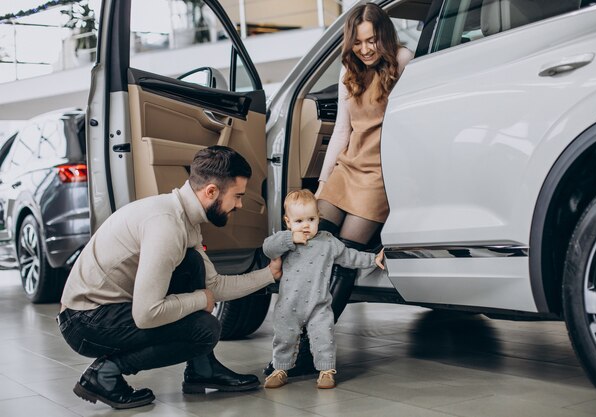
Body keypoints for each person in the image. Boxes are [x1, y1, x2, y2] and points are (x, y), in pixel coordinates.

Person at [57, 145, 282, 409]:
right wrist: (199, 300)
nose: (240, 204)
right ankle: (104, 374)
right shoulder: (166, 226)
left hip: (102, 311)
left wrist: (270, 274)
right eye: (237, 196)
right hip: (85, 321)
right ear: (211, 191)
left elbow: (214, 285)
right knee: (204, 329)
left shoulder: (183, 217)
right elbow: (147, 313)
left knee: (193, 264)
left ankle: (202, 368)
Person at [264, 2, 413, 377]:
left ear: (384, 36)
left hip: (379, 175)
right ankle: (291, 343)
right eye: (359, 42)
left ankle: (312, 350)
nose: (366, 49)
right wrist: (322, 184)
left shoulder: (403, 60)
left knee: (342, 262)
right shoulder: (351, 70)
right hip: (347, 169)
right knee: (307, 247)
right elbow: (343, 132)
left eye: (372, 40)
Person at [262, 190, 384, 389]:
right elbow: (268, 248)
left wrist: (373, 259)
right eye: (299, 221)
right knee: (284, 338)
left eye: (311, 219)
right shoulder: (285, 240)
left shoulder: (327, 241)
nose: (306, 225)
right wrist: (290, 238)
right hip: (288, 305)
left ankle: (326, 371)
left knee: (323, 338)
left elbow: (350, 256)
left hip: (319, 304)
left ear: (319, 217)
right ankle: (280, 369)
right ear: (288, 222)